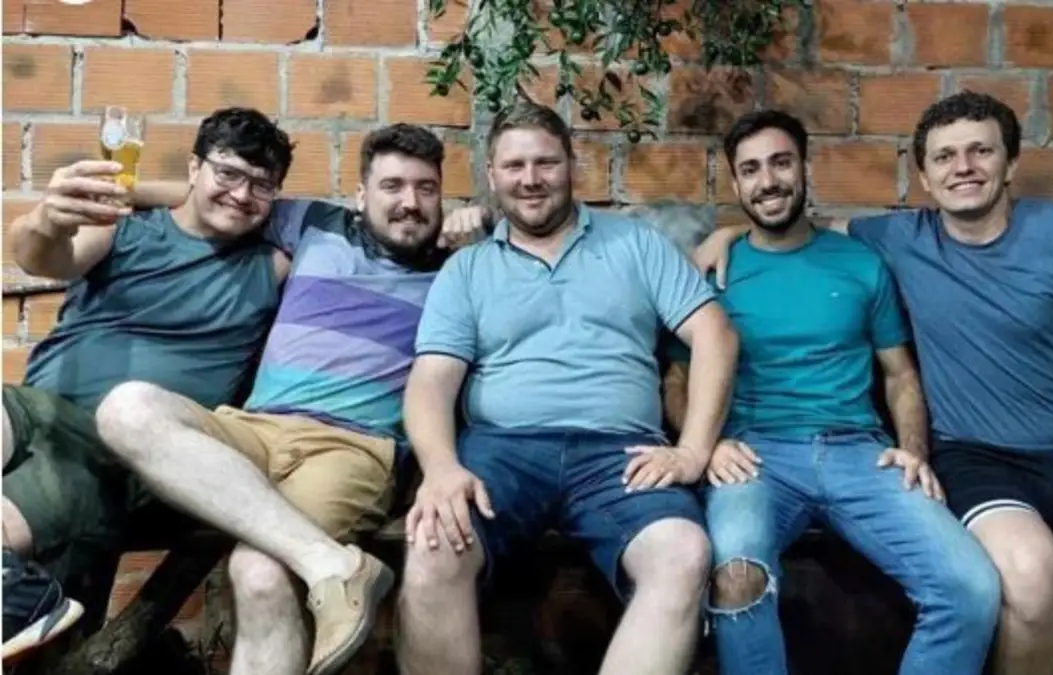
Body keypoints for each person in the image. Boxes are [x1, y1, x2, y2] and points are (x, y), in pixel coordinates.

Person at [693, 91, 1053, 675]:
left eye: (981, 151)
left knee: (980, 585)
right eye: (945, 157)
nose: (963, 167)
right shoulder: (896, 238)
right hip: (970, 459)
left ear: (1011, 162)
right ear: (924, 178)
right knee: (1029, 572)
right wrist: (727, 235)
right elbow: (785, 228)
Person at [93, 123, 489, 675]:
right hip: (255, 428)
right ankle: (334, 566)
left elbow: (528, 237)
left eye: (426, 189)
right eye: (392, 186)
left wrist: (484, 221)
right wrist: (123, 190)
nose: (410, 202)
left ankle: (327, 566)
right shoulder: (315, 223)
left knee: (259, 571)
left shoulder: (459, 269)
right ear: (360, 196)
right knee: (127, 408)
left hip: (350, 449)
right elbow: (211, 196)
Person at [396, 101, 740, 675]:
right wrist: (439, 467)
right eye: (514, 166)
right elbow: (432, 379)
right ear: (492, 176)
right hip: (502, 452)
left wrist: (692, 452)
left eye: (545, 163)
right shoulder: (467, 269)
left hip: (620, 454)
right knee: (432, 546)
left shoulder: (635, 244)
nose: (530, 179)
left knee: (683, 552)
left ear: (572, 165)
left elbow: (716, 335)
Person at [664, 109, 1002, 675]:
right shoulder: (711, 272)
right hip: (753, 456)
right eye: (750, 169)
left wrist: (913, 451)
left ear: (804, 167)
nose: (768, 180)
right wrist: (707, 445)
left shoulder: (861, 263)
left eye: (780, 162)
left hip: (859, 453)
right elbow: (676, 380)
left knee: (972, 587)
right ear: (736, 184)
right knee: (736, 575)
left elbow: (900, 375)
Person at [2, 107, 292, 660]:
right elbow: (44, 258)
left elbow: (364, 227)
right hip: (42, 415)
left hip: (136, 459)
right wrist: (46, 219)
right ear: (194, 167)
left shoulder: (272, 264)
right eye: (228, 173)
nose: (241, 194)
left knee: (64, 472)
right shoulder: (122, 228)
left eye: (262, 185)